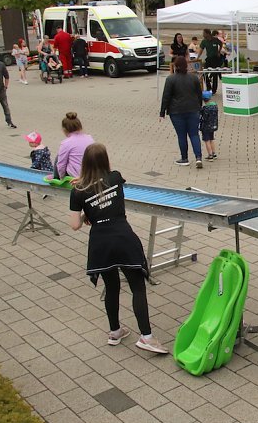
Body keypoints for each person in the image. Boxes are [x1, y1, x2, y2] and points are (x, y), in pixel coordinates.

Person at [68, 143, 167, 354]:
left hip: (100, 244)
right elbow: (106, 193)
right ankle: (146, 337)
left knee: (111, 287)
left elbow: (75, 225)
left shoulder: (77, 191)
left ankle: (115, 331)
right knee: (137, 287)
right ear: (105, 160)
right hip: (123, 238)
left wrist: (88, 214)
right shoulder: (115, 177)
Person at [159, 55, 204, 168]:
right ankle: (198, 158)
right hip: (193, 109)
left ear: (176, 66)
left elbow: (166, 97)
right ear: (186, 65)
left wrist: (162, 112)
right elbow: (199, 94)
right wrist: (199, 106)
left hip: (176, 111)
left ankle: (184, 158)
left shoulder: (170, 79)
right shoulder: (193, 78)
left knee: (181, 135)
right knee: (194, 134)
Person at [54, 112, 94, 179]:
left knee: (58, 157)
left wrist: (62, 178)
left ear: (64, 130)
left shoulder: (66, 143)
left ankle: (55, 178)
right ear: (80, 127)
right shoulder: (90, 138)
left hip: (76, 176)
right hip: (91, 174)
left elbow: (61, 165)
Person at [197, 29, 224, 94]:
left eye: (204, 33)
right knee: (204, 73)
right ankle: (209, 87)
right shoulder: (204, 41)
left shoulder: (215, 39)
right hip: (209, 58)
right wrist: (197, 57)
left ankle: (214, 90)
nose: (203, 35)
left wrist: (219, 51)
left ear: (207, 33)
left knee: (215, 74)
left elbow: (221, 44)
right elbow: (201, 50)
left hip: (215, 59)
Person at [199, 90, 218, 161]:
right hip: (213, 125)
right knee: (212, 139)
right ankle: (214, 153)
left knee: (207, 140)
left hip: (205, 127)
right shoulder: (215, 106)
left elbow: (202, 117)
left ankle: (210, 155)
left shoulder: (204, 108)